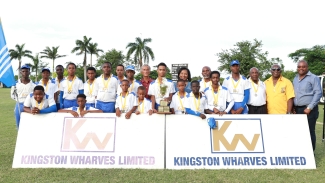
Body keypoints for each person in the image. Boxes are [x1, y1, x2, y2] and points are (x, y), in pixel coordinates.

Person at [293, 60, 322, 151]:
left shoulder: (313, 78)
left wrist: (309, 107)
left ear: (307, 67)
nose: (301, 68)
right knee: (299, 132)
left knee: (309, 132)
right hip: (297, 109)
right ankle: (302, 152)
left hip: (309, 109)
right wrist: (293, 107)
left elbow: (318, 93)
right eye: (299, 67)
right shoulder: (295, 78)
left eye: (303, 66)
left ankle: (311, 153)